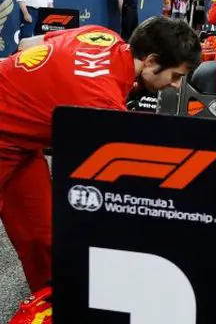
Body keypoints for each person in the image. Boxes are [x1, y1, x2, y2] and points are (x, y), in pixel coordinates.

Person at [0, 17, 201, 292]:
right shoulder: (102, 101)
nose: (177, 86)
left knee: (43, 238)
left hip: (20, 146)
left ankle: (53, 307)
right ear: (152, 61)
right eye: (176, 76)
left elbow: (27, 43)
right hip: (8, 137)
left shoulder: (102, 35)